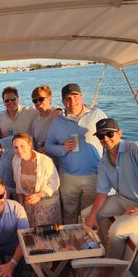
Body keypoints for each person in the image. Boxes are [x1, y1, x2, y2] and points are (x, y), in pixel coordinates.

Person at [84, 118, 138, 259]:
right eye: (101, 136)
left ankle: (108, 269)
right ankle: (101, 251)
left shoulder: (136, 149)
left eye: (109, 134)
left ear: (120, 133)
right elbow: (102, 192)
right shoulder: (104, 162)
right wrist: (92, 216)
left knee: (116, 231)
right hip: (122, 199)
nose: (105, 139)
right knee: (87, 216)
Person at [45, 83, 106, 224]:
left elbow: (111, 140)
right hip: (68, 177)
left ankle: (88, 242)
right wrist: (62, 148)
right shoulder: (57, 121)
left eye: (75, 96)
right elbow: (48, 146)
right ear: (62, 102)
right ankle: (71, 242)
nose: (71, 101)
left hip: (94, 176)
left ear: (81, 97)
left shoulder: (97, 114)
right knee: (69, 213)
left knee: (88, 214)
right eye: (67, 98)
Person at [12, 133, 62, 228]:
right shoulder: (15, 160)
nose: (19, 150)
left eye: (22, 146)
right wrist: (21, 205)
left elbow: (55, 182)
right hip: (29, 203)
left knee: (46, 233)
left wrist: (39, 195)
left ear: (30, 145)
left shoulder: (45, 160)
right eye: (16, 147)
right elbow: (17, 185)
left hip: (47, 202)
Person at [30, 85, 62, 153]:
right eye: (35, 101)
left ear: (49, 99)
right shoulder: (35, 122)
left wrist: (50, 148)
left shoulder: (59, 115)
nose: (38, 103)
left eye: (41, 99)